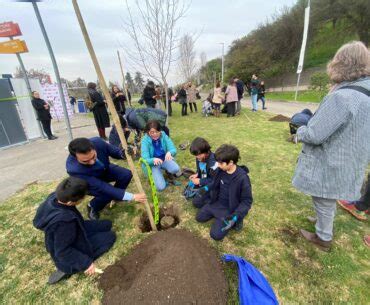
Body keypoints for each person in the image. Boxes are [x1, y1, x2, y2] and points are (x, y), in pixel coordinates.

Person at [292, 41, 370, 251]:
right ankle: (321, 222)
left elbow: (315, 134)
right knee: (328, 196)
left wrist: (300, 132)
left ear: (340, 63)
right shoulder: (366, 92)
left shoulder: (343, 97)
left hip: (333, 159)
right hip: (352, 157)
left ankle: (323, 237)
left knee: (323, 196)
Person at [33, 177, 116, 284]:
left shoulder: (55, 197)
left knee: (107, 224)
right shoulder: (64, 222)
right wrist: (86, 263)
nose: (84, 197)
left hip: (77, 228)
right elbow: (62, 251)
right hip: (71, 247)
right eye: (83, 197)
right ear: (70, 203)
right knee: (110, 236)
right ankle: (67, 269)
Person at [66, 137, 147, 220]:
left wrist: (123, 153)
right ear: (76, 158)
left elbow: (114, 151)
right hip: (88, 183)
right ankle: (93, 206)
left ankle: (117, 197)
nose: (92, 162)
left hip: (103, 169)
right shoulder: (74, 170)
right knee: (106, 193)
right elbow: (102, 187)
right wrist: (131, 196)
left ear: (93, 147)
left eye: (93, 156)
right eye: (85, 161)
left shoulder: (98, 142)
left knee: (126, 174)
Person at [196, 144, 253, 241]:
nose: (218, 165)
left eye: (220, 163)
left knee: (215, 235)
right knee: (199, 217)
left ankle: (235, 221)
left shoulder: (242, 178)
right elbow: (214, 183)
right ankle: (217, 215)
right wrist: (205, 189)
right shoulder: (221, 170)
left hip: (229, 209)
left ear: (230, 162)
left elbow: (247, 201)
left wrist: (235, 216)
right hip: (217, 203)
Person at [141, 120, 181, 191]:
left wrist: (170, 153)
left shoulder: (163, 135)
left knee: (176, 169)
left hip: (164, 159)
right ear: (148, 132)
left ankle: (166, 172)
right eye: (152, 132)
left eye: (157, 131)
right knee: (160, 187)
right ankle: (156, 175)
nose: (155, 134)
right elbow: (145, 159)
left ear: (160, 131)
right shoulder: (145, 140)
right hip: (153, 164)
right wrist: (153, 160)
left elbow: (173, 149)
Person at [189, 137, 217, 209]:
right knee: (193, 188)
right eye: (195, 155)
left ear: (206, 151)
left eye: (198, 155)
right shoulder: (199, 157)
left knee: (196, 202)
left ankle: (216, 203)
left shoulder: (213, 164)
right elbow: (200, 169)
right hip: (205, 180)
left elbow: (215, 181)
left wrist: (200, 181)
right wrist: (197, 174)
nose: (197, 157)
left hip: (213, 186)